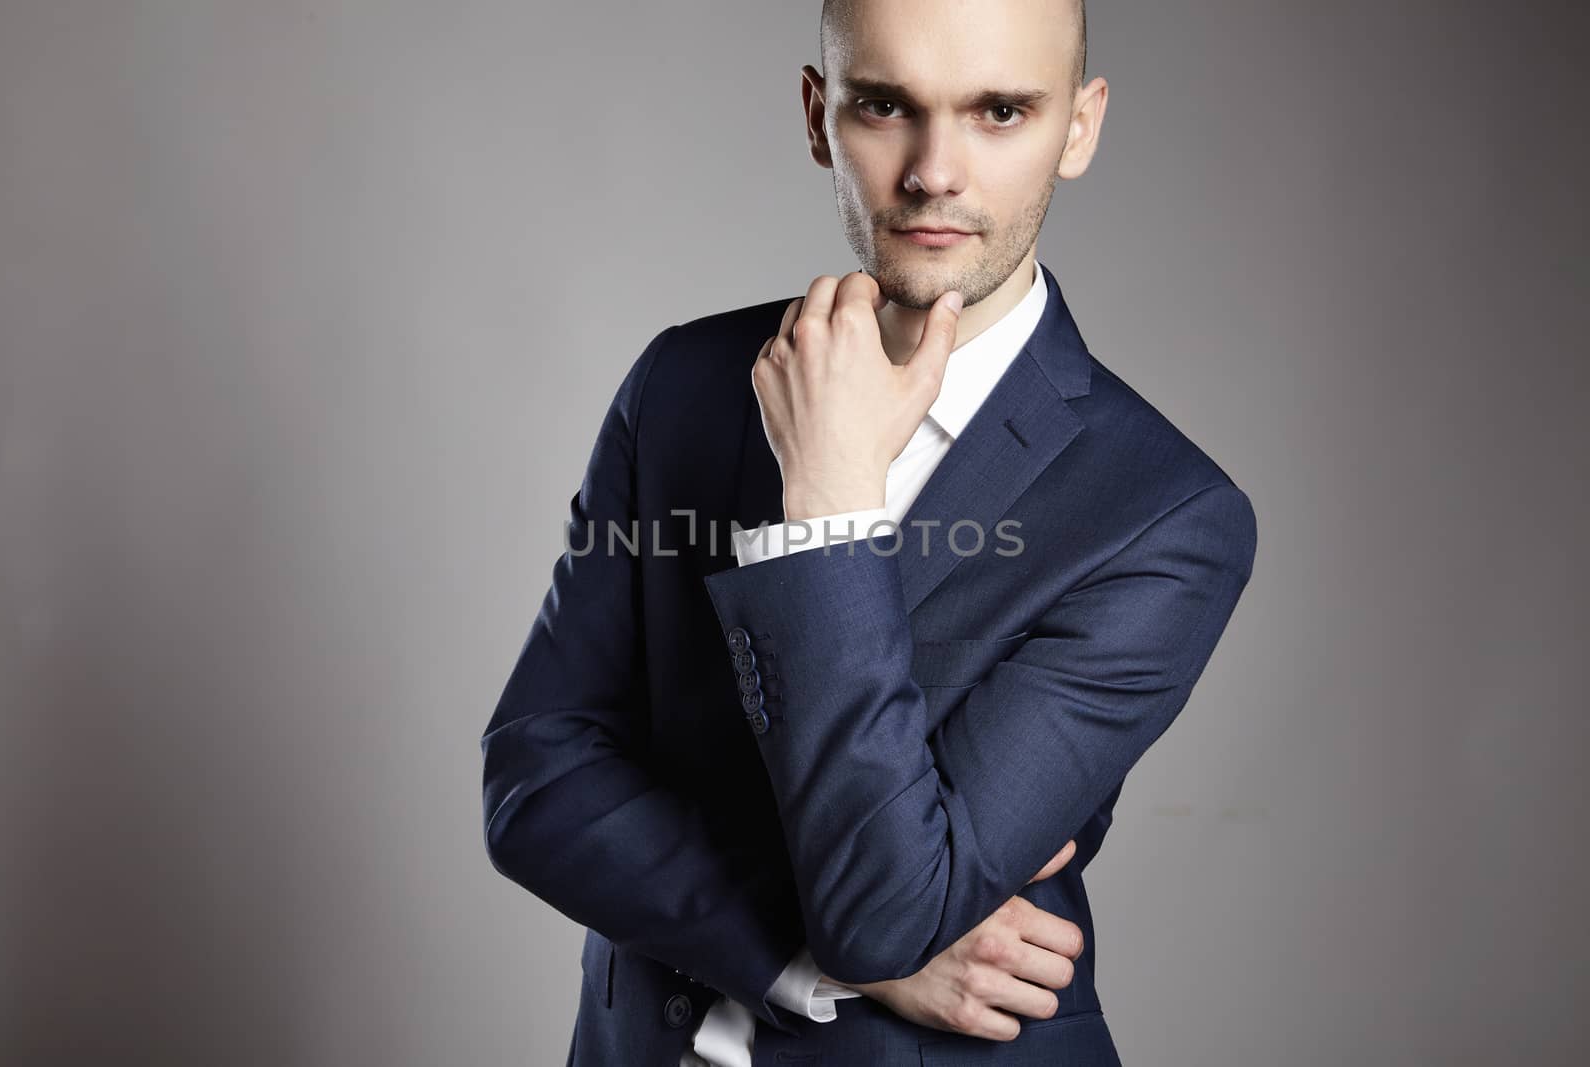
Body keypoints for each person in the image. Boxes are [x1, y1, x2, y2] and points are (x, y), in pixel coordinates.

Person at [480, 0, 1258, 1063]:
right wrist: (798, 945)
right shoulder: (682, 386)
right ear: (819, 115)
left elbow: (884, 913)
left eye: (999, 111)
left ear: (1077, 128)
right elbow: (535, 780)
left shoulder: (1161, 513)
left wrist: (829, 504)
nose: (935, 170)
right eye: (887, 105)